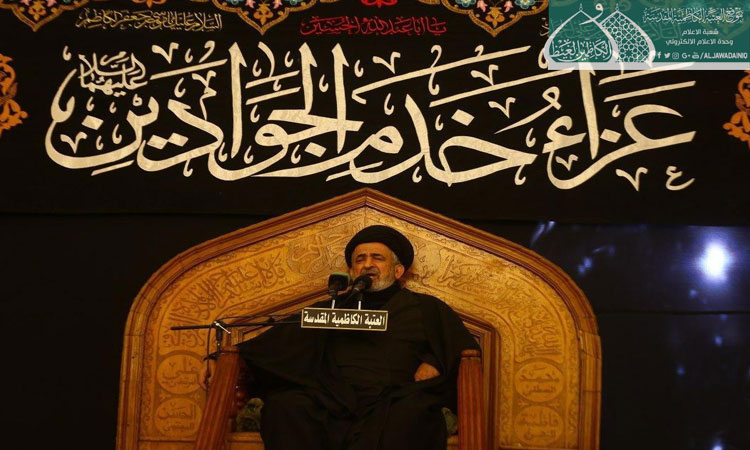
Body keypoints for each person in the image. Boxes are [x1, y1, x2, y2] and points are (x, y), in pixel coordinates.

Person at [236, 225, 479, 450]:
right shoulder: (331, 308)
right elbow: (275, 346)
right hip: (332, 401)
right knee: (287, 406)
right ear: (351, 272)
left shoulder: (426, 308)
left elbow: (462, 347)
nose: (367, 265)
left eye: (377, 258)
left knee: (413, 413)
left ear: (398, 270)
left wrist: (434, 361)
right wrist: (230, 355)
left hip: (394, 401)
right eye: (360, 260)